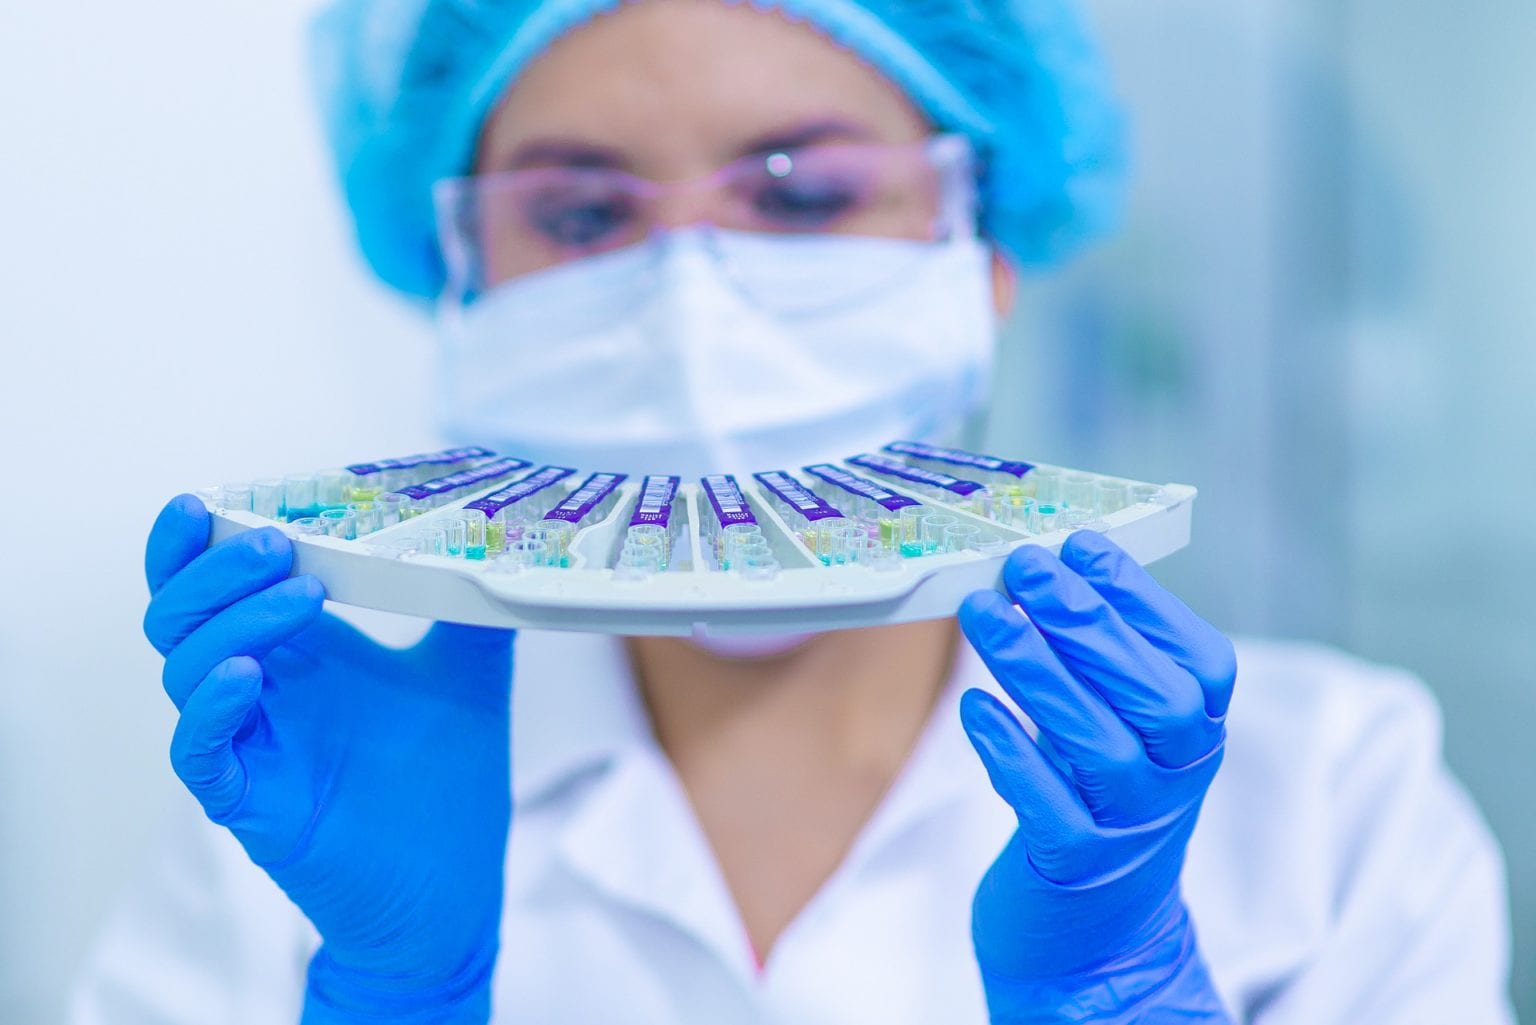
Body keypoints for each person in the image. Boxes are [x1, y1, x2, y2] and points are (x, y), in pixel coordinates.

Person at [73, 0, 1516, 1022]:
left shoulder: (1333, 799)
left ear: (986, 254)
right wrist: (395, 995)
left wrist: (1122, 998)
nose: (692, 310)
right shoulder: (297, 827)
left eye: (807, 195)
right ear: (463, 283)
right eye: (581, 217)